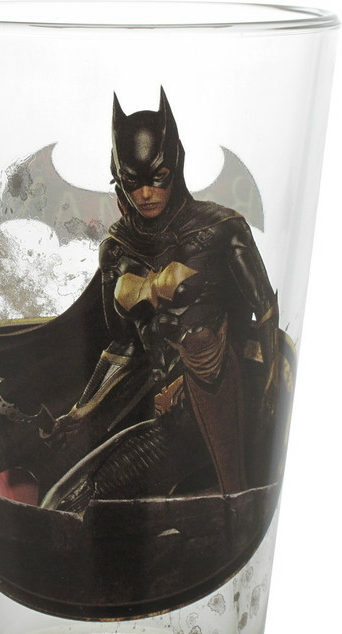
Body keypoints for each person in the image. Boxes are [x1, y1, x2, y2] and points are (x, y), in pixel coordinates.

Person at [40, 88, 279, 512]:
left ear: (176, 167)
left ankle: (231, 501)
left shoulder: (221, 230)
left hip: (227, 401)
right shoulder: (117, 249)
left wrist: (271, 390)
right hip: (167, 418)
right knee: (70, 501)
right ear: (119, 178)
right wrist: (81, 412)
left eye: (158, 178)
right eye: (133, 183)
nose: (146, 194)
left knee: (202, 341)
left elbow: (266, 310)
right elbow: (124, 347)